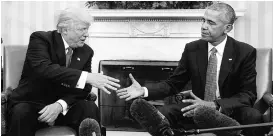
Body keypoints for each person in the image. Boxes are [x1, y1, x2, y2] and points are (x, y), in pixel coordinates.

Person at [117, 3, 264, 136]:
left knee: (253, 116)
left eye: (211, 23)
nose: (204, 26)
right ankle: (167, 133)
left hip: (227, 110)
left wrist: (214, 105)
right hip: (196, 109)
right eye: (203, 20)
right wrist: (144, 90)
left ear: (227, 28)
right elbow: (173, 84)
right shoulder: (193, 49)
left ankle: (229, 129)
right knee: (165, 113)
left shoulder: (244, 51)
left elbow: (248, 95)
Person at [7, 7, 120, 136]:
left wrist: (60, 105)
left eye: (87, 29)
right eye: (82, 29)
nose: (86, 34)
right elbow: (44, 69)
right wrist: (86, 77)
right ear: (65, 30)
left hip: (64, 108)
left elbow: (84, 88)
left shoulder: (86, 51)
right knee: (21, 111)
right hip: (33, 104)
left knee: (89, 108)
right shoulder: (41, 39)